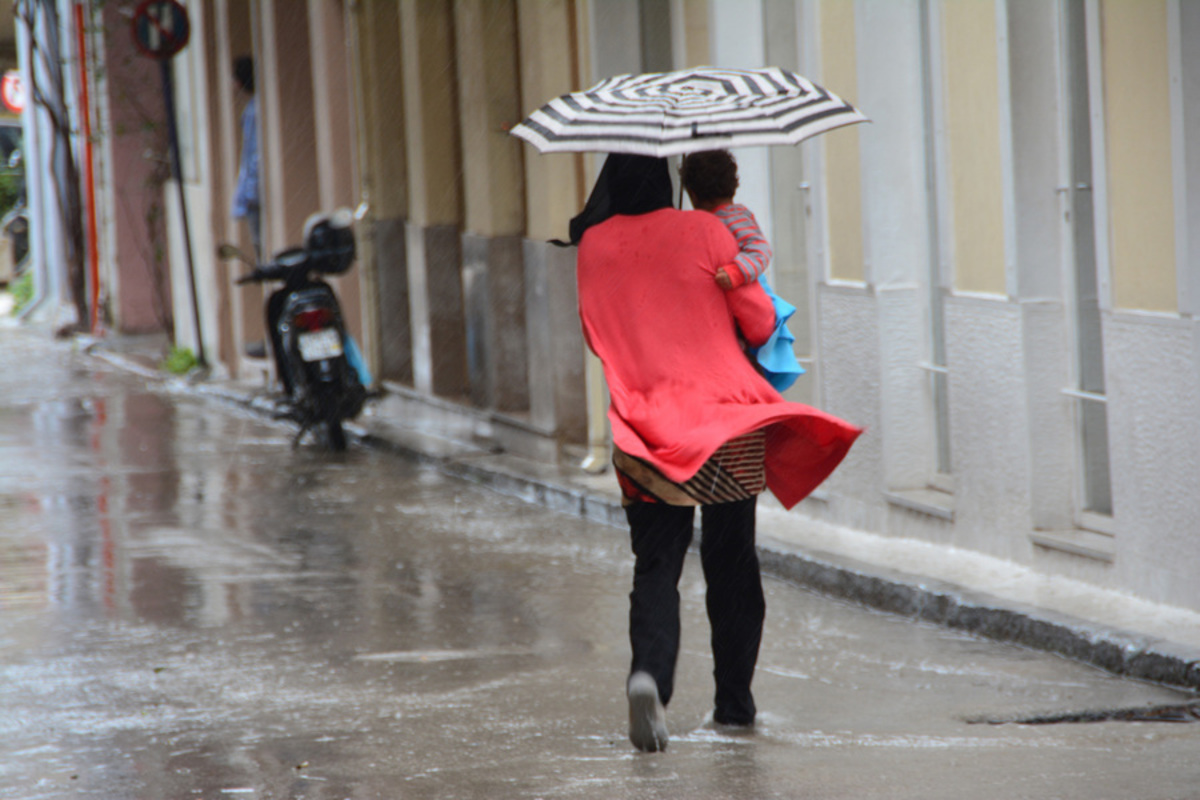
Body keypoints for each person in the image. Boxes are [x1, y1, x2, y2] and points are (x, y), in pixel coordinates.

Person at [572, 153, 861, 752]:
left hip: (643, 430)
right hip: (724, 424)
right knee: (732, 565)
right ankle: (734, 704)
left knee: (657, 566)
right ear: (668, 180)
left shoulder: (593, 245)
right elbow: (757, 323)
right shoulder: (706, 229)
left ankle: (649, 675)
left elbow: (597, 333)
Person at [680, 149, 804, 393]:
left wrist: (736, 272)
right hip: (732, 305)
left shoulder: (735, 216)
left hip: (751, 296)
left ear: (692, 194)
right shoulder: (709, 221)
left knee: (752, 359)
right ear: (733, 185)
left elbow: (760, 249)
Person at [231, 56, 261, 260]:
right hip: (256, 191)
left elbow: (252, 156)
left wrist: (248, 195)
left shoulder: (253, 111)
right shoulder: (255, 108)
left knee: (261, 246)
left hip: (255, 194)